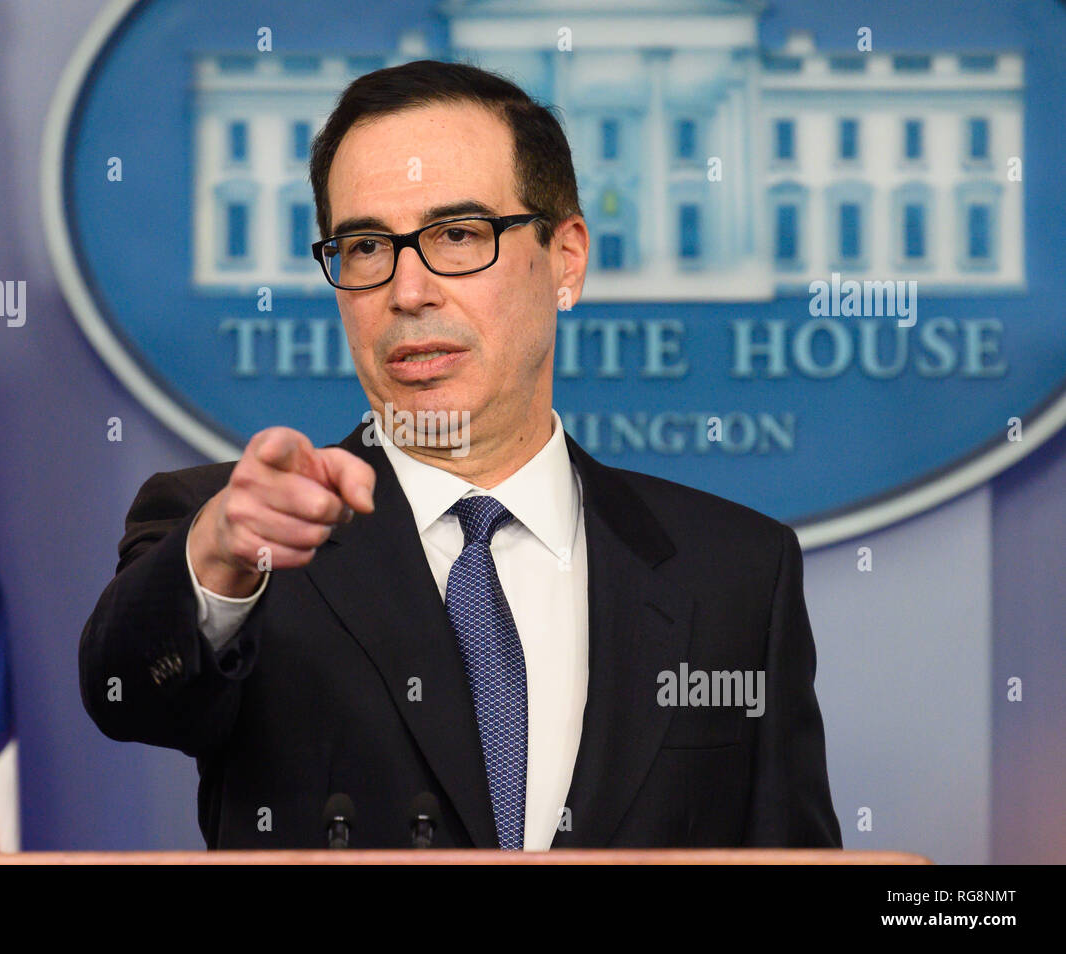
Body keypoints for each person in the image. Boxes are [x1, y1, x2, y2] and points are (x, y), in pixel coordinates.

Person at [79, 59, 841, 851]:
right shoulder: (243, 540)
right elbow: (127, 693)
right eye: (367, 246)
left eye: (457, 235)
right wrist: (216, 557)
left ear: (566, 258)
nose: (407, 290)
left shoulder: (737, 575)